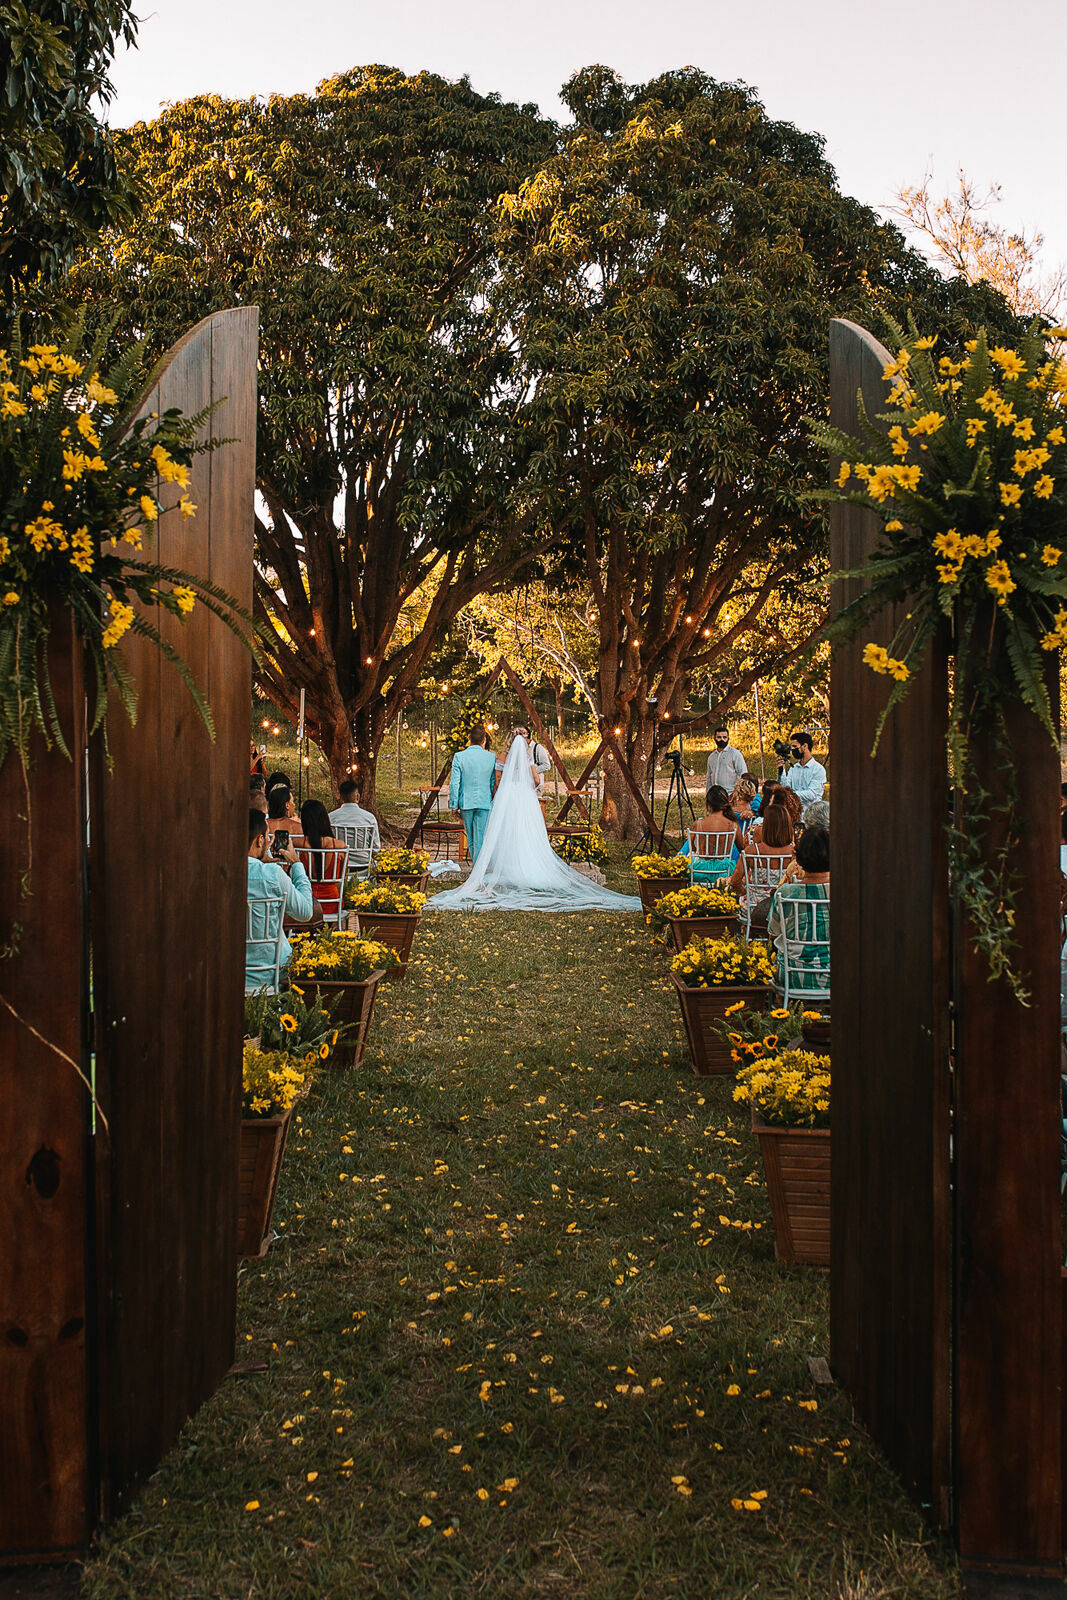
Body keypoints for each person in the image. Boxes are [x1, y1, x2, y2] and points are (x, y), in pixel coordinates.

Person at [431, 732, 640, 912]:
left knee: (496, 834)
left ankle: (480, 871)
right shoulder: (525, 759)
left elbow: (495, 779)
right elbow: (537, 781)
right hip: (522, 798)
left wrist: (462, 801)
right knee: (524, 833)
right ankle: (517, 865)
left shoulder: (497, 757)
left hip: (501, 798)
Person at [246, 809, 314, 990]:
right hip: (273, 972)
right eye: (267, 837)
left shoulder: (215, 875)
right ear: (260, 840)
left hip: (225, 974)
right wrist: (296, 863)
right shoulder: (272, 875)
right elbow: (305, 912)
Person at [767, 824, 830, 995]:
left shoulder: (786, 893)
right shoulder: (848, 893)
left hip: (792, 975)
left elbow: (773, 932)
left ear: (799, 860)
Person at [728, 793, 795, 919]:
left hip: (755, 907)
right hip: (786, 908)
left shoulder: (751, 851)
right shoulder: (794, 852)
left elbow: (734, 882)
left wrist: (745, 893)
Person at [449, 723, 499, 864]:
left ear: (469, 739)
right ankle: (478, 870)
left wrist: (454, 804)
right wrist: (491, 798)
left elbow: (454, 783)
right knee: (480, 838)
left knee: (471, 838)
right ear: (484, 739)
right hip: (484, 801)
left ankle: (476, 871)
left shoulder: (459, 756)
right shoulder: (490, 757)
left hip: (466, 802)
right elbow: (492, 782)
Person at [681, 785, 745, 882]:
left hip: (699, 871)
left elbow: (691, 848)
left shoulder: (698, 824)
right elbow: (742, 849)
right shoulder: (733, 825)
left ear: (708, 804)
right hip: (724, 872)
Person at [328, 778, 381, 854]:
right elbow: (376, 847)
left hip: (339, 861)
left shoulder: (330, 817)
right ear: (357, 797)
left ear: (340, 797)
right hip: (363, 861)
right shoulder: (370, 818)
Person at [780, 731, 827, 810]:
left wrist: (791, 794)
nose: (793, 750)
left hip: (811, 816)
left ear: (805, 746)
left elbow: (812, 794)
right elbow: (786, 787)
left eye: (795, 746)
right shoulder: (793, 768)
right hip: (795, 815)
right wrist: (781, 770)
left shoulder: (818, 769)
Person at [705, 723, 747, 796]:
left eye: (724, 737)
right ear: (715, 738)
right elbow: (709, 777)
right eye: (719, 737)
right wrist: (708, 794)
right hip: (715, 795)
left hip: (730, 794)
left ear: (728, 738)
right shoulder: (711, 757)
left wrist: (737, 793)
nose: (722, 739)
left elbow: (742, 774)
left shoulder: (735, 754)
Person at [266, 784, 299, 853]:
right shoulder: (297, 827)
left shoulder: (263, 824)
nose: (294, 805)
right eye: (292, 801)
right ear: (287, 805)